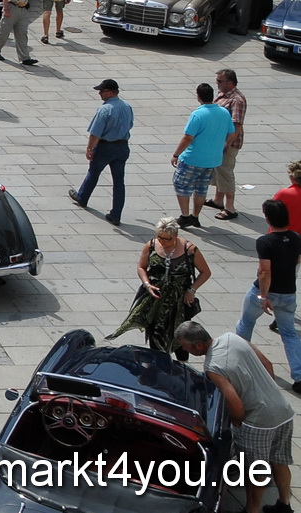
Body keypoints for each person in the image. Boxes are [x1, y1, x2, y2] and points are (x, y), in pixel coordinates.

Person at [174, 320, 295, 513]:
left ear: (197, 345)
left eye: (184, 346)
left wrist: (237, 422)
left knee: (255, 471)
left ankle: (251, 510)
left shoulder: (213, 366)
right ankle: (285, 504)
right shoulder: (232, 337)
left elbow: (235, 403)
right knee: (279, 460)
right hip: (283, 410)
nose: (183, 349)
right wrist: (265, 391)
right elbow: (267, 364)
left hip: (259, 422)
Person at [108, 218, 210, 355]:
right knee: (156, 333)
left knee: (181, 337)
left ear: (175, 236)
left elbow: (205, 272)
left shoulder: (190, 250)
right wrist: (147, 284)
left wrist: (191, 290)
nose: (162, 242)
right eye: (160, 237)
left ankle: (180, 367)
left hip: (178, 302)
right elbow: (141, 267)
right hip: (156, 299)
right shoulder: (151, 245)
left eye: (167, 239)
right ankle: (158, 364)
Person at [237, 199, 301, 390]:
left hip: (266, 292)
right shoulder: (297, 237)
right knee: (289, 334)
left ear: (268, 219)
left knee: (246, 323)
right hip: (288, 293)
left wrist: (263, 297)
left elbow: (265, 271)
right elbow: (297, 259)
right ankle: (299, 376)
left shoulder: (265, 241)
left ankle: (237, 361)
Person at [70, 78, 134, 226]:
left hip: (105, 147)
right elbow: (130, 125)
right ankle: (116, 215)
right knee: (119, 182)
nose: (99, 93)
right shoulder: (127, 106)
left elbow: (95, 134)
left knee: (93, 173)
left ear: (111, 92)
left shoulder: (105, 109)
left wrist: (89, 148)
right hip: (122, 146)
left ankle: (82, 198)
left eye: (102, 91)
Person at [171, 83, 234, 228]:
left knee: (182, 186)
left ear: (198, 96)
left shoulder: (198, 114)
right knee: (201, 188)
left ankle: (185, 216)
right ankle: (195, 216)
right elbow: (231, 132)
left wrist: (176, 154)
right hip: (212, 160)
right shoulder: (224, 113)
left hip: (192, 158)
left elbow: (188, 137)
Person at [211, 68, 248, 221]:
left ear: (230, 82)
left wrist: (226, 144)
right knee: (219, 170)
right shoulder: (224, 94)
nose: (217, 84)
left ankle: (230, 207)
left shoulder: (237, 100)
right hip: (219, 141)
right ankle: (217, 200)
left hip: (228, 143)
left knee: (226, 172)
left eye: (220, 81)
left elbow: (237, 125)